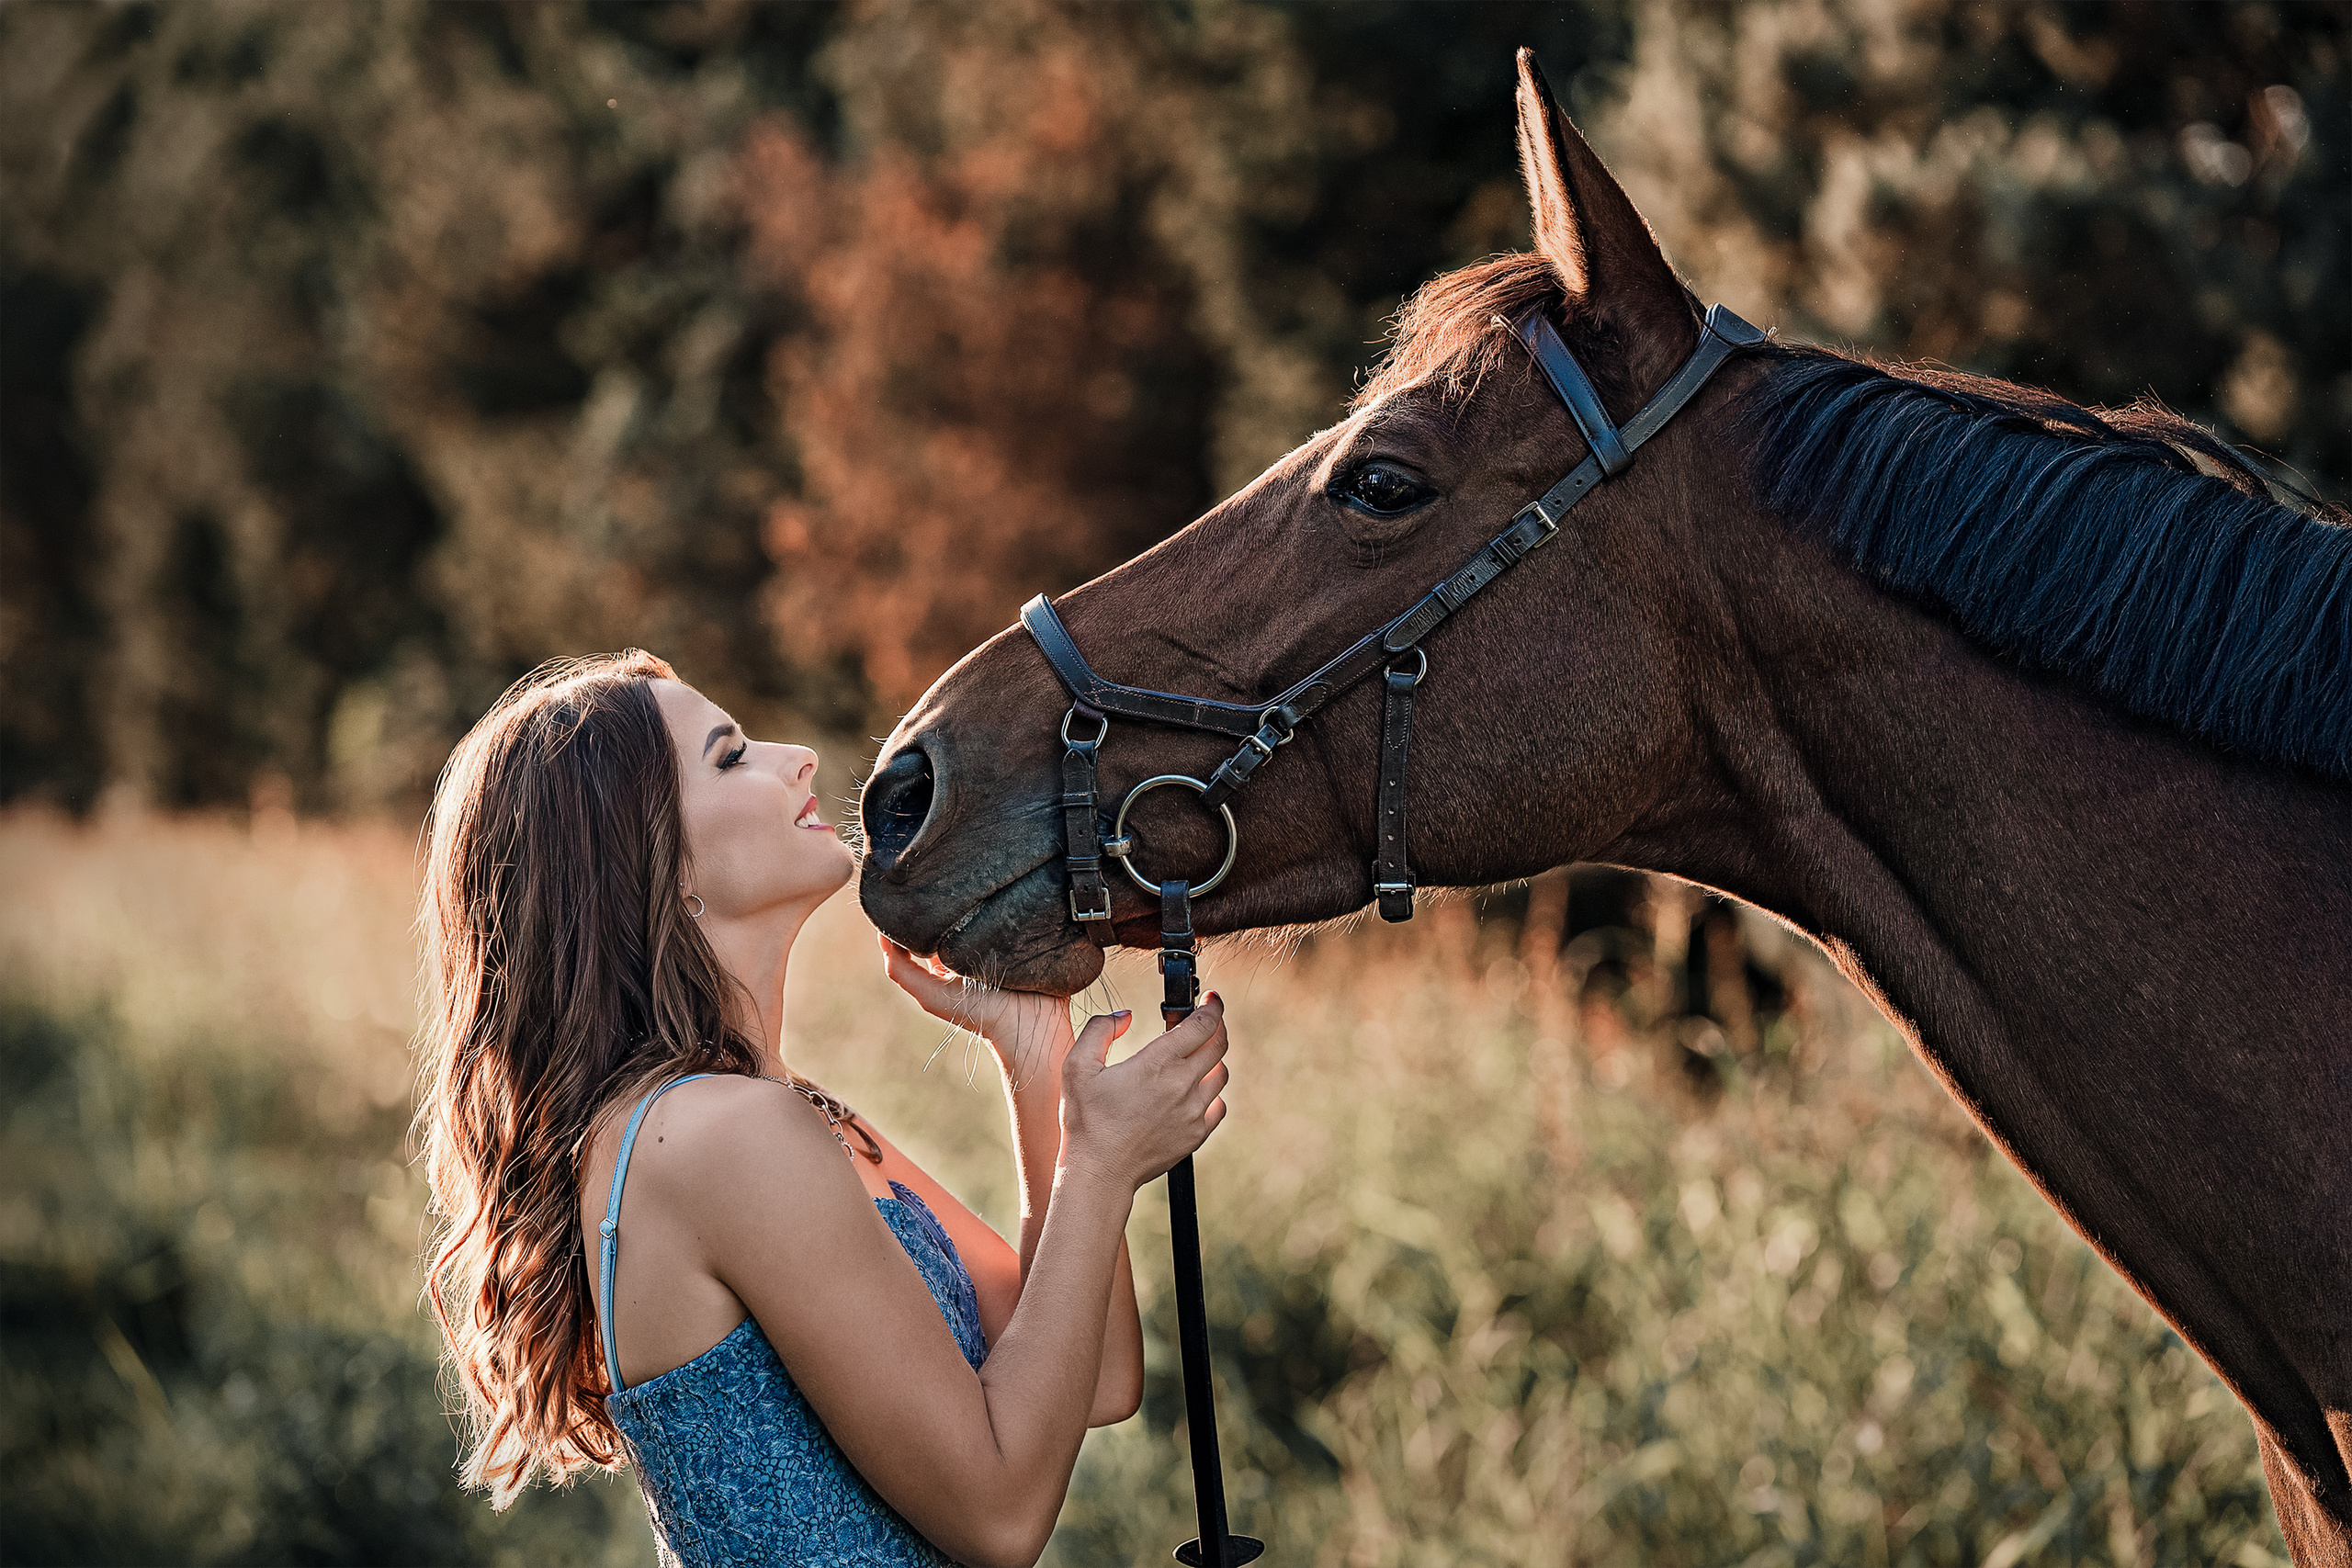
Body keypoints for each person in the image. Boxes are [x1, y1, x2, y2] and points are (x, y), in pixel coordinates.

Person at [415, 651, 1231, 1567]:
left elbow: (1092, 1379)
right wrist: (1101, 1167)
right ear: (646, 859)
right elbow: (998, 1516)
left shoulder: (779, 1113)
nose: (797, 755)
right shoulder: (722, 1136)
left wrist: (1034, 1055)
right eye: (729, 758)